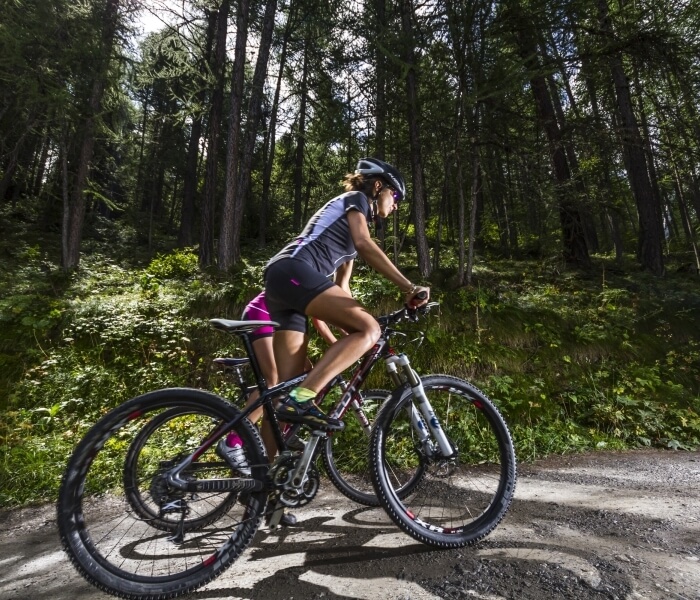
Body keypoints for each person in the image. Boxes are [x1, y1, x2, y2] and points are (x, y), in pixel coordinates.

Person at [263, 158, 430, 430]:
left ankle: (265, 469)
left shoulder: (349, 238)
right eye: (395, 195)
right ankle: (303, 399)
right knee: (367, 330)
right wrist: (409, 288)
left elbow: (342, 289)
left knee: (285, 395)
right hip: (293, 269)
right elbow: (365, 243)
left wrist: (356, 337)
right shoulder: (357, 199)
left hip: (283, 283)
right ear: (378, 186)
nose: (396, 204)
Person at [216, 290, 338, 526]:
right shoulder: (317, 269)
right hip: (263, 314)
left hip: (279, 320)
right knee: (273, 382)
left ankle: (271, 496)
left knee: (299, 376)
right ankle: (232, 441)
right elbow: (318, 319)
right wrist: (338, 345)